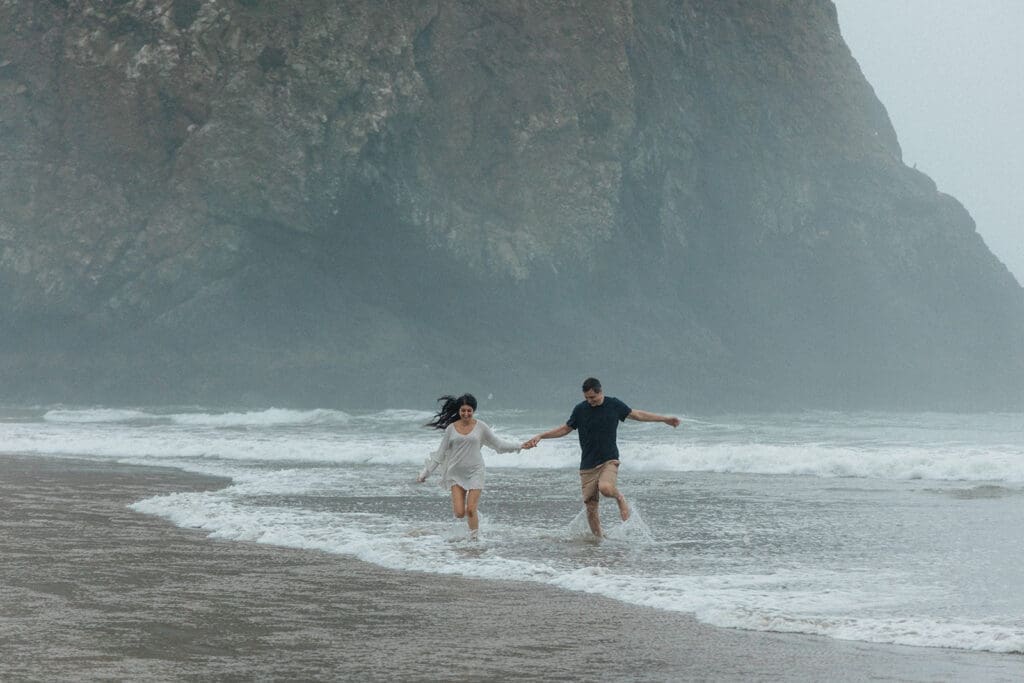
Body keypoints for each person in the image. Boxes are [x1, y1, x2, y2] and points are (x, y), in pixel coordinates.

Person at [524, 377, 680, 537]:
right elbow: (565, 429)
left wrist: (665, 419)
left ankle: (619, 497)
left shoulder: (614, 405)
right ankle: (599, 542)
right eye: (586, 398)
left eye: (592, 397)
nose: (590, 401)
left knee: (605, 488)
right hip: (587, 465)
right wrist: (541, 436)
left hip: (609, 460)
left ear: (600, 391)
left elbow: (638, 414)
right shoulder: (580, 409)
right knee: (591, 508)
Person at [418, 393, 531, 538]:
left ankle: (474, 540)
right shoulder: (451, 429)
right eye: (463, 410)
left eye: (469, 410)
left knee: (471, 509)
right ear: (459, 411)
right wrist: (424, 474)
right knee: (459, 513)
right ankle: (475, 526)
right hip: (455, 473)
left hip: (475, 472)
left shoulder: (481, 427)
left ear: (474, 410)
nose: (466, 413)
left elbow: (499, 444)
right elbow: (440, 454)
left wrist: (520, 446)